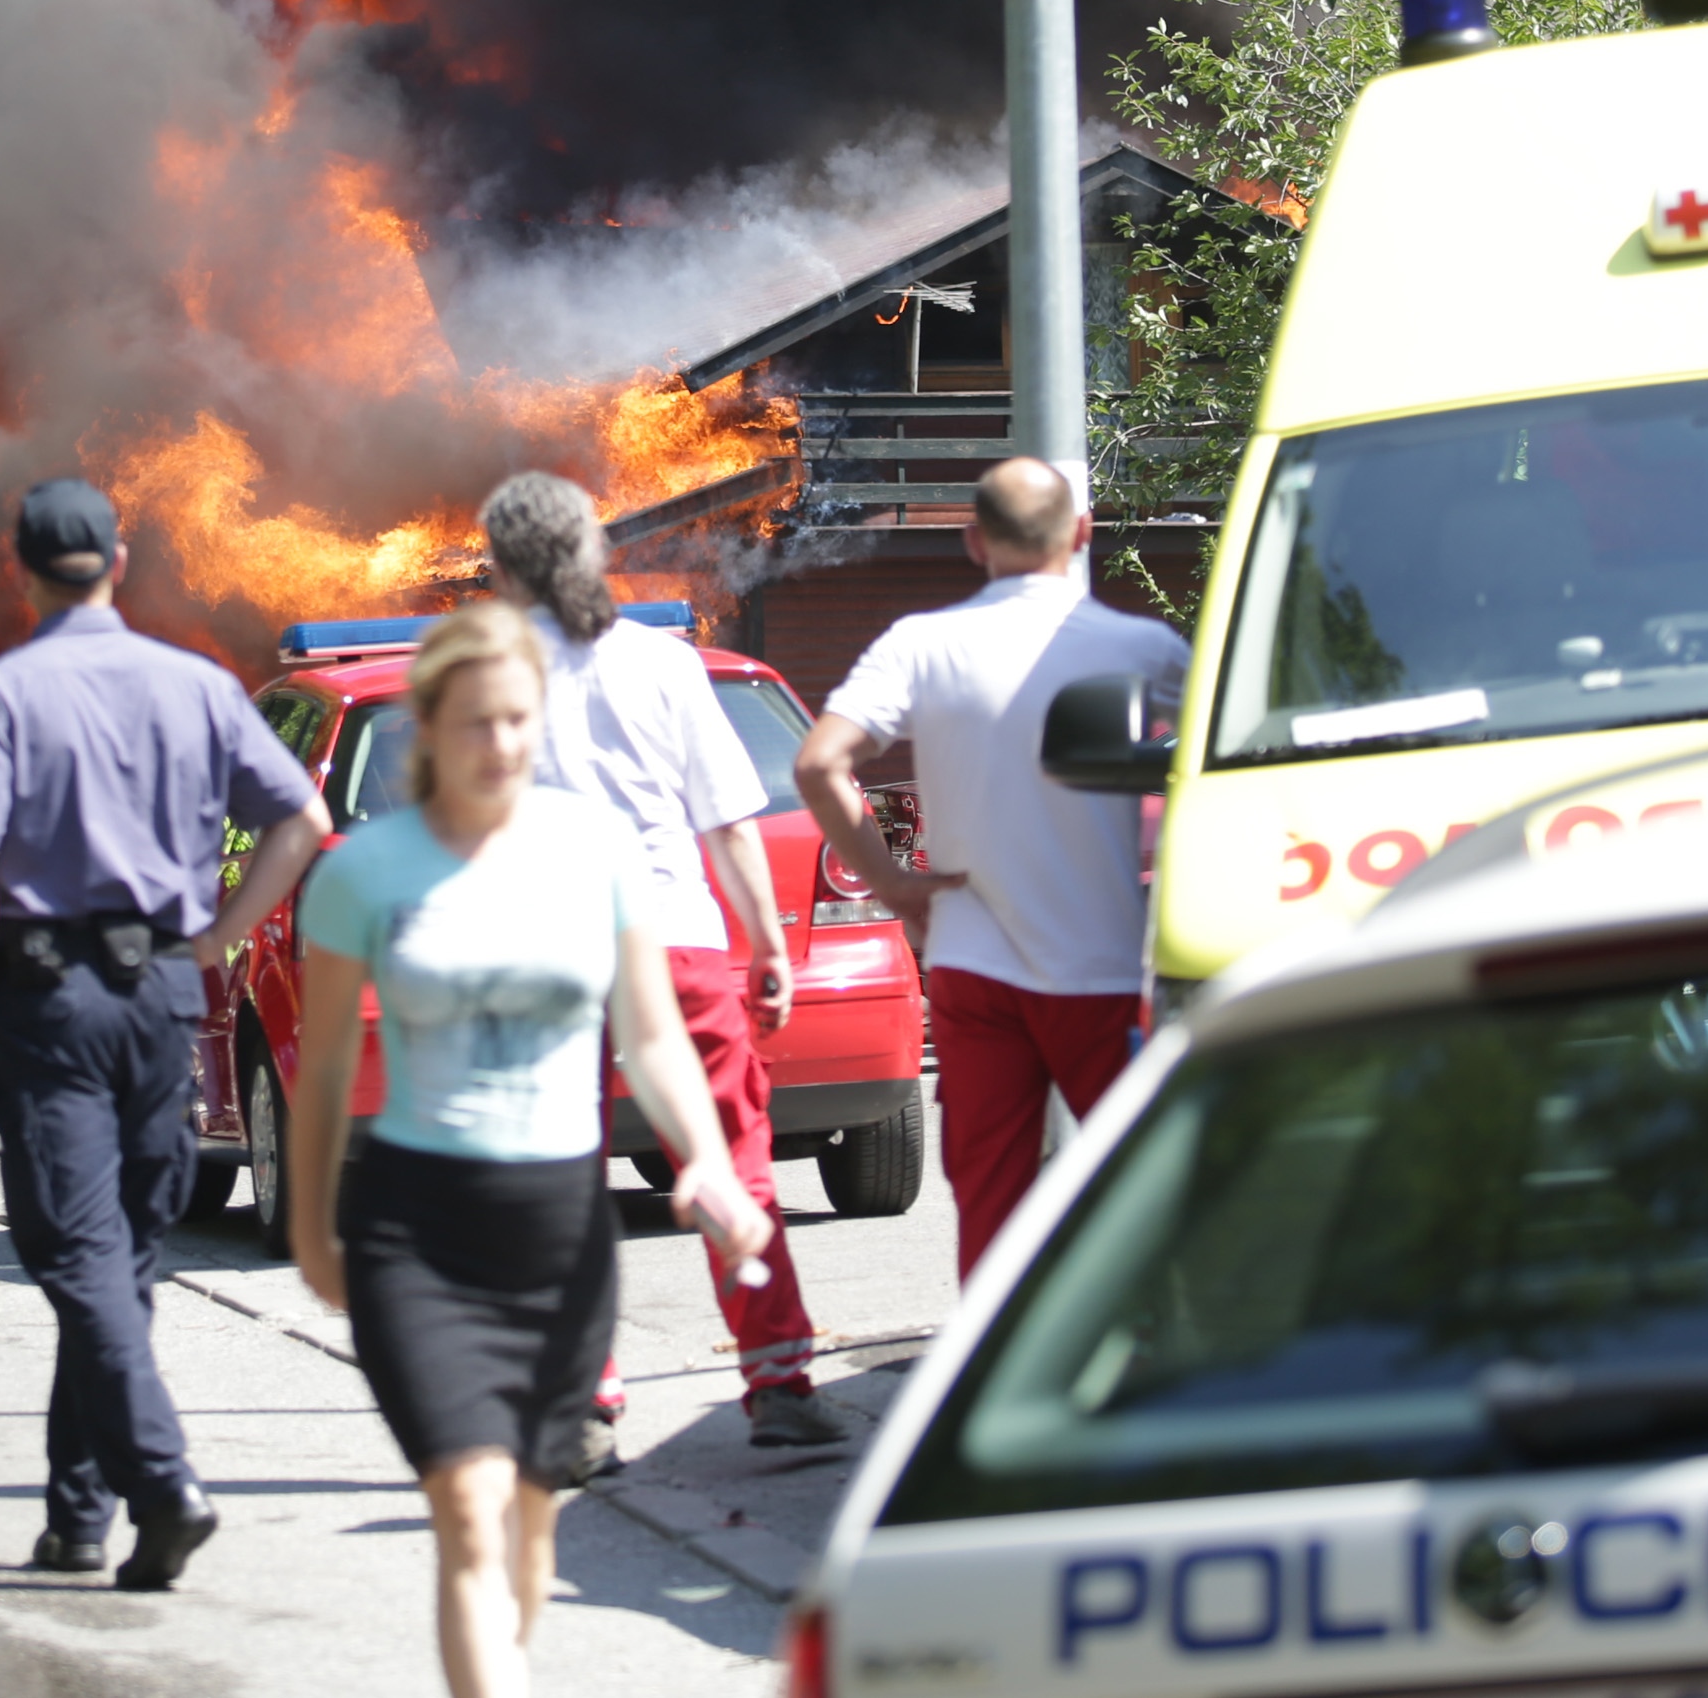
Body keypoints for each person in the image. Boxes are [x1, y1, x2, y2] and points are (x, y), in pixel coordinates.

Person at [289, 604, 772, 1698]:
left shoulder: (593, 848)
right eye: (474, 723)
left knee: (528, 1533)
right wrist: (316, 1225)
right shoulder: (364, 872)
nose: (500, 744)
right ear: (428, 727)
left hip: (557, 1230)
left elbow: (651, 1034)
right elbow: (320, 1072)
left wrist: (703, 1158)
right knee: (466, 1510)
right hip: (416, 1229)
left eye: (517, 721)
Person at [0, 477, 335, 1590]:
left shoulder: (0, 695)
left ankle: (160, 1481)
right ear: (116, 561)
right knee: (116, 1259)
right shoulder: (198, 686)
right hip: (159, 994)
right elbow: (305, 821)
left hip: (46, 1003)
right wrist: (216, 940)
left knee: (77, 1253)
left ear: (21, 570)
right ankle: (77, 1516)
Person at [475, 472, 842, 1457]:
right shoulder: (663, 664)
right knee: (732, 1163)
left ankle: (580, 1406)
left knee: (557, 1180)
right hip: (676, 943)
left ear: (502, 567)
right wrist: (765, 942)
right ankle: (780, 1387)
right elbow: (727, 822)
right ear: (594, 553)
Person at [793, 458, 1191, 1276]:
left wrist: (894, 883)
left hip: (973, 967)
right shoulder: (1145, 648)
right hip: (1100, 967)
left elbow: (819, 764)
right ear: (1081, 534)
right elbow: (1220, 764)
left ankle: (993, 1374)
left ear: (974, 542)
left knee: (990, 1200)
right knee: (1141, 1188)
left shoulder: (920, 645)